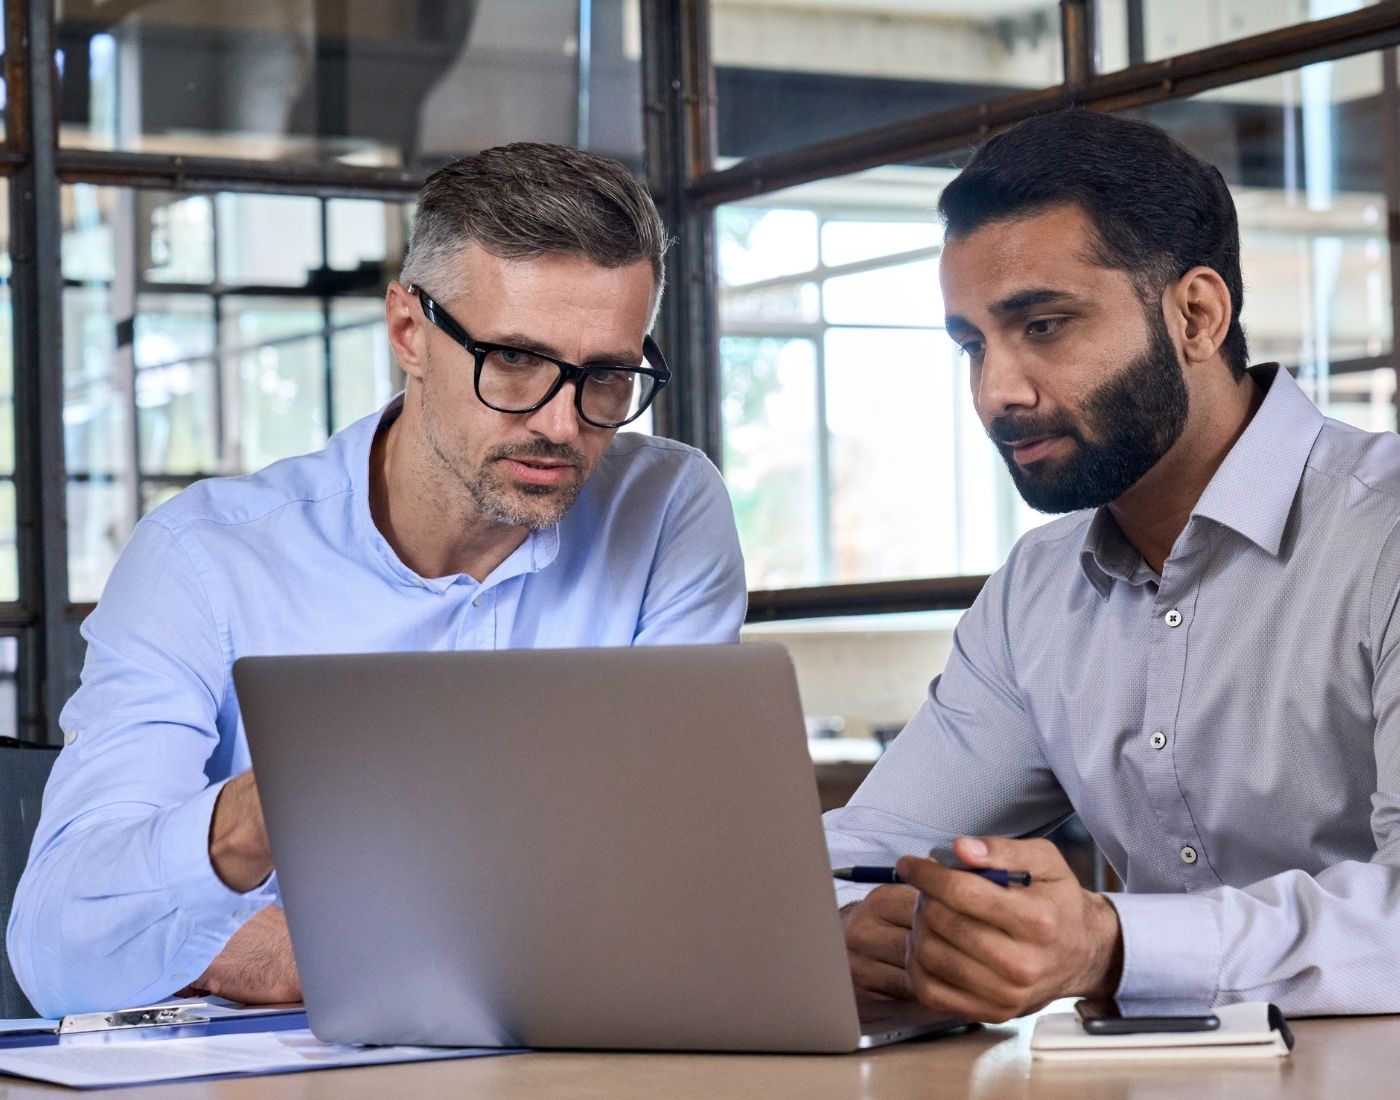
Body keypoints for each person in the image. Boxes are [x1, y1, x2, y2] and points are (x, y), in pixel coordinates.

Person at [10, 143, 747, 1018]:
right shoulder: (201, 561)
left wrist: (321, 942)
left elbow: (669, 886)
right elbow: (56, 951)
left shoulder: (667, 509)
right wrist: (246, 826)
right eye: (513, 359)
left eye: (607, 375)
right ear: (408, 333)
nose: (561, 423)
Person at [827, 109, 1400, 1023]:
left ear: (1197, 315)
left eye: (1044, 326)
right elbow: (859, 854)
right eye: (972, 345)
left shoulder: (1383, 534)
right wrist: (868, 929)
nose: (995, 392)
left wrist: (1110, 944)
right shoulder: (1037, 592)